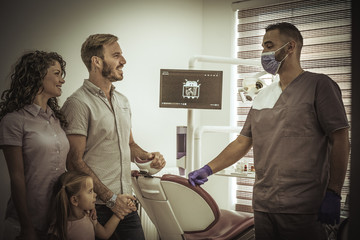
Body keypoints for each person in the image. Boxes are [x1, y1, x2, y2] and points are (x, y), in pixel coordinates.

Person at [188, 22, 350, 240]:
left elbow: (340, 138)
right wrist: (208, 169)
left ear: (290, 47)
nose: (264, 53)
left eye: (269, 46)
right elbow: (242, 142)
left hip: (305, 206)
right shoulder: (263, 95)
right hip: (264, 204)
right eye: (263, 47)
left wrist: (334, 192)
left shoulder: (319, 85)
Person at [61, 33, 166, 240]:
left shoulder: (122, 101)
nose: (123, 61)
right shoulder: (78, 104)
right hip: (95, 208)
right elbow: (74, 160)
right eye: (116, 55)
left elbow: (129, 144)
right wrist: (110, 199)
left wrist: (147, 157)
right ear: (97, 61)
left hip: (126, 203)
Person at [0, 51, 69, 240]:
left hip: (55, 222)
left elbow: (63, 171)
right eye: (56, 73)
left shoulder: (57, 119)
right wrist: (26, 226)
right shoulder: (14, 121)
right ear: (38, 75)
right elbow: (16, 177)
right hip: (25, 224)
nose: (62, 80)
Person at [49, 171, 136, 240]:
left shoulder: (89, 215)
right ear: (75, 200)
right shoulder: (60, 230)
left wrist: (120, 212)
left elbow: (105, 234)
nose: (95, 195)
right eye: (90, 191)